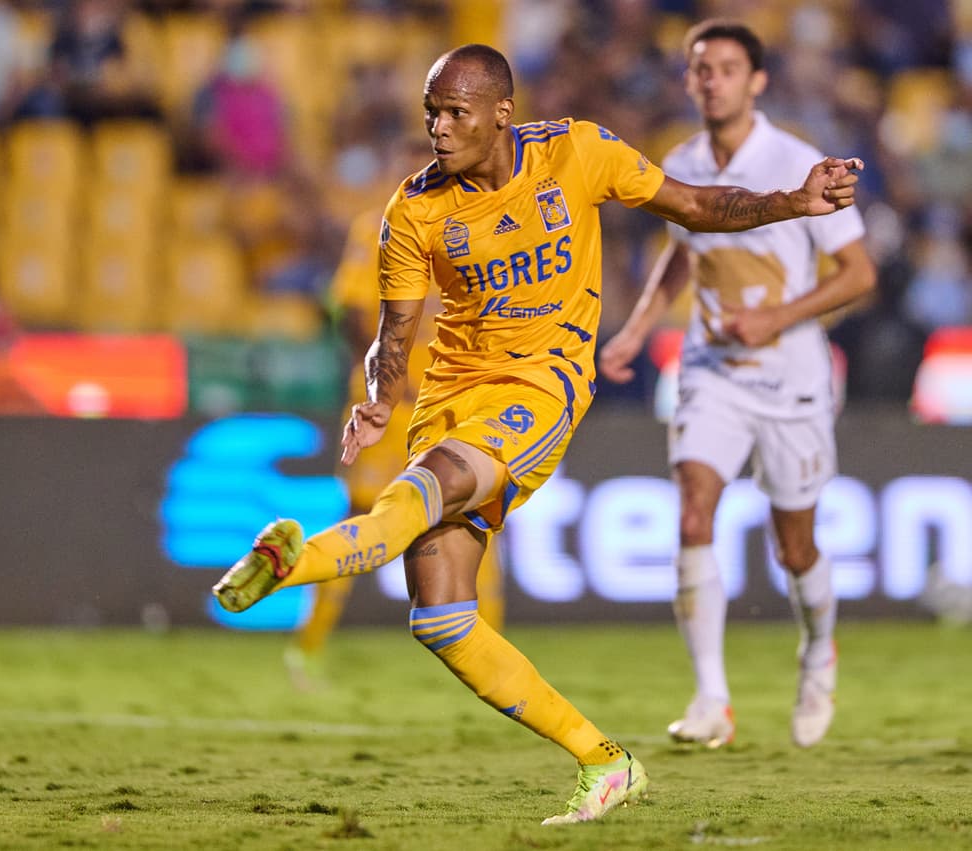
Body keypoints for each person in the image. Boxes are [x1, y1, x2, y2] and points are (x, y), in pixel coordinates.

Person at [213, 43, 862, 825]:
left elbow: (694, 206)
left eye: (455, 113)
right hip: (448, 398)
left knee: (421, 494)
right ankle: (606, 761)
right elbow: (393, 332)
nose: (439, 128)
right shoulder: (413, 210)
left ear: (501, 114)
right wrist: (381, 400)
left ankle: (291, 560)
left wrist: (794, 201)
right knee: (441, 616)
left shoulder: (576, 153)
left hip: (539, 389)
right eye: (431, 113)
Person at [598, 20, 877, 751]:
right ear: (688, 81)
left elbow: (859, 274)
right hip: (711, 368)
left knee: (795, 549)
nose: (712, 80)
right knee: (694, 513)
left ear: (757, 81)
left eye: (727, 68)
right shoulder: (681, 160)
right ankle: (711, 699)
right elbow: (682, 249)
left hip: (790, 378)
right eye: (701, 68)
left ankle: (817, 653)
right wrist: (638, 327)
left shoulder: (797, 161)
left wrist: (777, 317)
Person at [284, 137, 505, 691]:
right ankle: (308, 644)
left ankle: (490, 657)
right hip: (395, 405)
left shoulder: (479, 228)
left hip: (455, 402)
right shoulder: (377, 229)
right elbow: (355, 315)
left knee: (481, 516)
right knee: (363, 515)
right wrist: (389, 380)